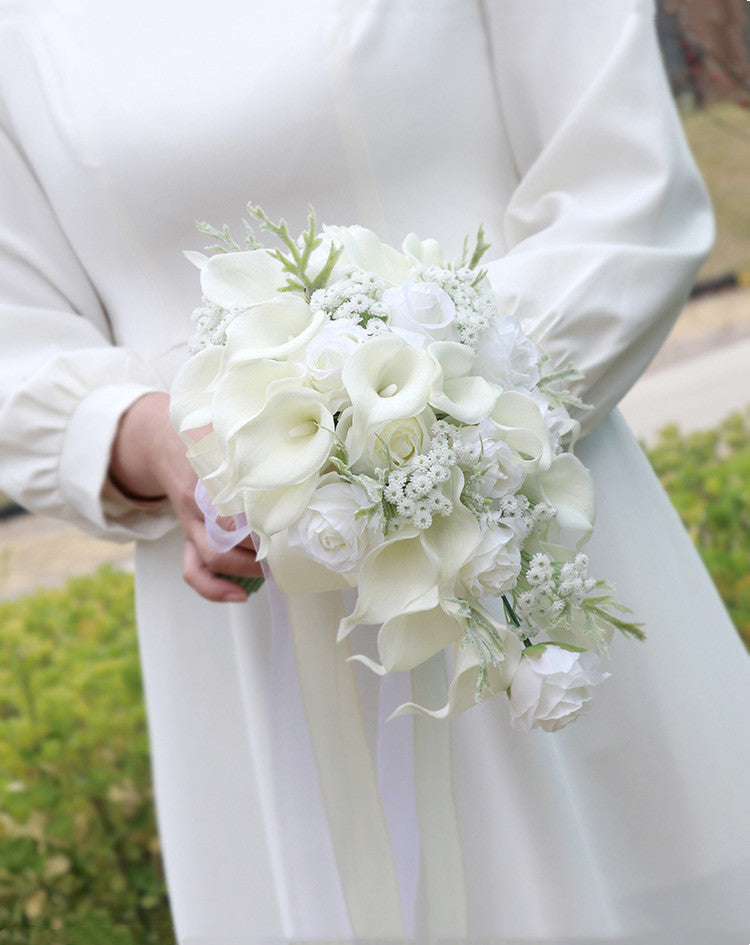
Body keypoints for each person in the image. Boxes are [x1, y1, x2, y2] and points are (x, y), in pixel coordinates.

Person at [1, 1, 748, 942]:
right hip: (245, 607)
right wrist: (146, 438)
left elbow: (623, 194)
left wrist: (441, 425)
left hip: (525, 545)